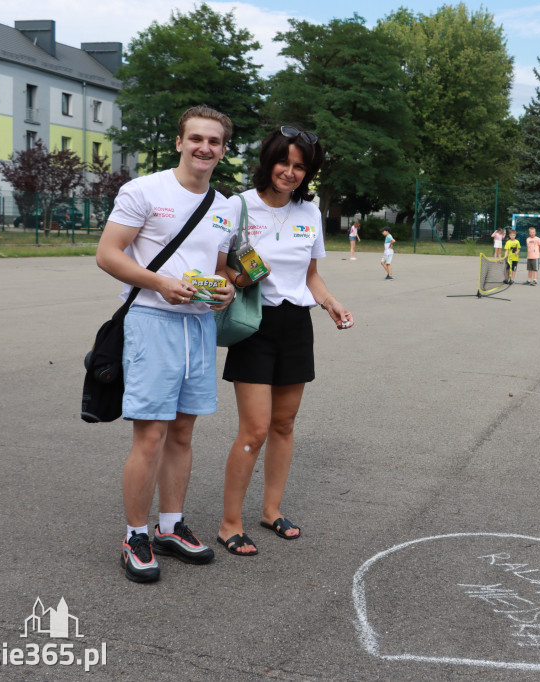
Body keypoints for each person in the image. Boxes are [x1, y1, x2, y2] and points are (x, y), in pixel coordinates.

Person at [96, 105, 236, 583]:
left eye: (214, 141)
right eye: (196, 138)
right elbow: (107, 254)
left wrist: (226, 289)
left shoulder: (225, 205)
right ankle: (136, 534)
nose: (204, 148)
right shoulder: (144, 190)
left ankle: (170, 527)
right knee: (151, 435)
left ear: (223, 149)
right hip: (152, 320)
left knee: (182, 433)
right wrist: (158, 283)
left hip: (198, 327)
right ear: (179, 142)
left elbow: (218, 269)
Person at [215, 125, 353, 557]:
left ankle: (271, 510)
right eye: (283, 162)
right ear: (268, 161)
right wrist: (242, 276)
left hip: (297, 325)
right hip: (255, 323)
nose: (290, 173)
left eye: (299, 167)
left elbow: (310, 276)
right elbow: (220, 270)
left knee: (284, 425)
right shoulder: (238, 207)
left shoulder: (309, 213)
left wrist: (330, 302)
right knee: (254, 429)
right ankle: (229, 523)